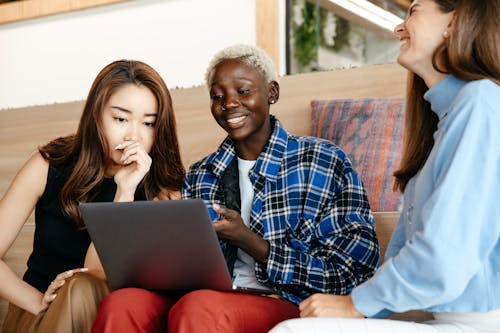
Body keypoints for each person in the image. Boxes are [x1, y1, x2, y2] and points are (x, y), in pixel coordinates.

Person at [91, 44, 380, 333]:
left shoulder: (323, 161)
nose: (229, 103)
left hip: (286, 300)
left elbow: (353, 273)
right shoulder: (202, 174)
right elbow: (187, 269)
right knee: (123, 304)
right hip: (207, 296)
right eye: (218, 96)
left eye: (243, 91)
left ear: (272, 92)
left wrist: (254, 244)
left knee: (200, 307)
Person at [270, 1, 500, 332]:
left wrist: (353, 306)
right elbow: (406, 254)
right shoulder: (446, 122)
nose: (398, 28)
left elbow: (442, 260)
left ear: (456, 21)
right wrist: (354, 307)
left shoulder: (480, 103)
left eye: (415, 10)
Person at [0, 59, 185, 332]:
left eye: (148, 123)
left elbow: (97, 271)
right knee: (81, 289)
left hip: (107, 319)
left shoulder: (164, 190)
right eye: (121, 119)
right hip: (38, 318)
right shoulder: (50, 164)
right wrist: (36, 300)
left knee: (85, 288)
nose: (134, 135)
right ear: (96, 115)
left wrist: (125, 192)